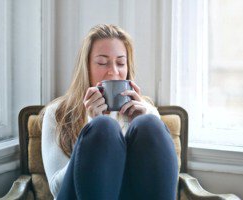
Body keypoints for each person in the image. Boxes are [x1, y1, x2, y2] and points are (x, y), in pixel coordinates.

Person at [41, 24, 178, 200]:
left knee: (149, 124)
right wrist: (91, 125)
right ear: (86, 67)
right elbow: (56, 189)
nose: (113, 72)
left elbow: (160, 180)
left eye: (121, 63)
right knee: (103, 126)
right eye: (102, 62)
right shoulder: (57, 113)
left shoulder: (145, 111)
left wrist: (136, 124)